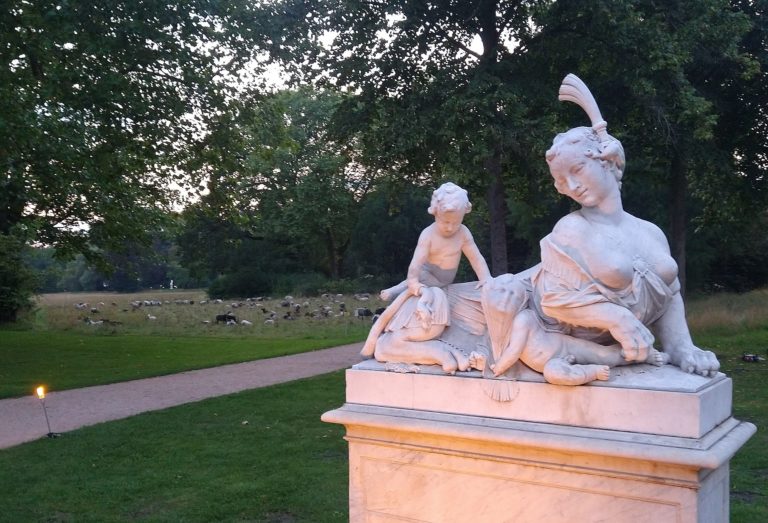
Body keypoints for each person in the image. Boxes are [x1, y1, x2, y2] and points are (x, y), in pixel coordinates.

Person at [531, 125, 719, 377]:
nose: (573, 186)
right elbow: (554, 301)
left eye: (577, 169)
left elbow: (669, 295)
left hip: (630, 353)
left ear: (609, 162)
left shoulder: (651, 231)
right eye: (563, 181)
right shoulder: (571, 229)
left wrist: (682, 347)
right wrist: (616, 317)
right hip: (577, 347)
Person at [360, 182, 492, 373]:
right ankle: (399, 289)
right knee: (418, 280)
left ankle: (400, 288)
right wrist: (414, 284)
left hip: (443, 282)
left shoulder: (463, 233)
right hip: (426, 277)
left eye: (455, 222)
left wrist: (486, 279)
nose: (450, 227)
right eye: (445, 222)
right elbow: (415, 266)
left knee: (429, 285)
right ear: (435, 213)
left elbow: (476, 258)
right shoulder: (428, 234)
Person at [471, 277, 668, 385]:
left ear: (521, 299)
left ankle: (647, 354)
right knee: (555, 375)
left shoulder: (523, 319)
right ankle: (591, 372)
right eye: (500, 297)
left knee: (606, 355)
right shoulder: (503, 329)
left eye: (510, 296)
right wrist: (484, 363)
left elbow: (513, 352)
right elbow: (502, 351)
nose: (504, 302)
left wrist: (496, 369)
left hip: (562, 347)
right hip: (553, 362)